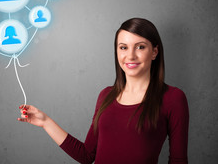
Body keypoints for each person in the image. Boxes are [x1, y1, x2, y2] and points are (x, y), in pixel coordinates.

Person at [18, 17, 189, 164]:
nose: (130, 56)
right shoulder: (106, 95)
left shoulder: (172, 98)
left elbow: (178, 161)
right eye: (123, 47)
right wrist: (45, 122)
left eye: (140, 47)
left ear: (154, 52)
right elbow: (86, 155)